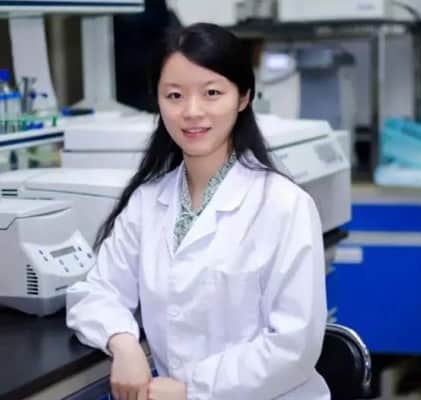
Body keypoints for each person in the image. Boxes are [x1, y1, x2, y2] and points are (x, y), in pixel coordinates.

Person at [66, 23, 330, 400]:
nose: (192, 111)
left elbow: (293, 346)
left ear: (243, 97)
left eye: (212, 93)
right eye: (174, 95)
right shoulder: (147, 203)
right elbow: (95, 292)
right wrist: (124, 344)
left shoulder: (284, 205)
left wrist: (193, 390)